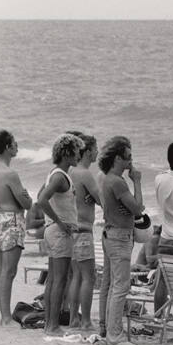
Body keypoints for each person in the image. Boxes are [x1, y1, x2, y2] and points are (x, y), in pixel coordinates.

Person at [99, 135, 144, 345]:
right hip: (119, 237)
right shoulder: (117, 181)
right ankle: (114, 334)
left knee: (113, 285)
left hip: (110, 234)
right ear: (118, 158)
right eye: (127, 158)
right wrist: (138, 182)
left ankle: (111, 329)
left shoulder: (107, 178)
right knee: (121, 287)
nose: (130, 162)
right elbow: (137, 208)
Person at [38, 133, 84, 336]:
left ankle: (49, 323)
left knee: (53, 280)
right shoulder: (59, 176)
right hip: (58, 232)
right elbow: (41, 200)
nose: (78, 155)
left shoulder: (54, 173)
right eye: (76, 151)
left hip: (52, 231)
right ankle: (52, 325)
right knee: (60, 280)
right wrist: (59, 222)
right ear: (66, 154)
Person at [0, 129, 32, 325]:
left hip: (0, 219)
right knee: (9, 271)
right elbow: (26, 203)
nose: (17, 146)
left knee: (4, 270)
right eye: (14, 143)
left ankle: (4, 315)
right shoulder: (10, 173)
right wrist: (27, 196)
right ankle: (6, 317)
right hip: (12, 220)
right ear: (7, 147)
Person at [67, 133, 102, 331]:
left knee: (76, 276)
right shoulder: (85, 174)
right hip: (84, 229)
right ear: (87, 152)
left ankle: (74, 318)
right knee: (89, 277)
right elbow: (101, 199)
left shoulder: (70, 171)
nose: (98, 152)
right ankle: (86, 320)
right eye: (95, 149)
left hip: (71, 228)